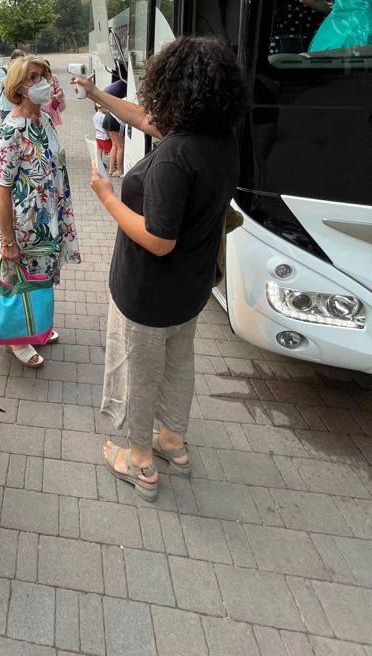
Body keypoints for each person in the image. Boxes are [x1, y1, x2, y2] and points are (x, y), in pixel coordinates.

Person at [73, 37, 246, 501]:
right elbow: (145, 120)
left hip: (148, 292)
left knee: (136, 373)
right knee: (177, 365)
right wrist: (96, 95)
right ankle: (172, 440)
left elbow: (157, 238)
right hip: (190, 289)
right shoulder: (220, 137)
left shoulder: (174, 157)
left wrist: (107, 196)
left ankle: (140, 460)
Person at [0, 55, 81, 367]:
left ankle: (35, 324)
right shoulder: (11, 130)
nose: (42, 82)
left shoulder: (42, 119)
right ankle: (16, 339)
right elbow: (1, 188)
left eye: (42, 75)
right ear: (18, 87)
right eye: (32, 78)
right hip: (25, 224)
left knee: (41, 278)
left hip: (49, 217)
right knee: (20, 280)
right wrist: (8, 241)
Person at [104, 79, 127, 176]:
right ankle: (120, 171)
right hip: (117, 121)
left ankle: (111, 169)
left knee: (114, 145)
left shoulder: (120, 96)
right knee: (121, 146)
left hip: (108, 117)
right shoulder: (128, 98)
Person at [0, 49, 26, 123]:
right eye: (19, 62)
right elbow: (8, 85)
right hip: (7, 108)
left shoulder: (22, 70)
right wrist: (13, 70)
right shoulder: (2, 71)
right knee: (8, 131)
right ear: (12, 60)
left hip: (20, 106)